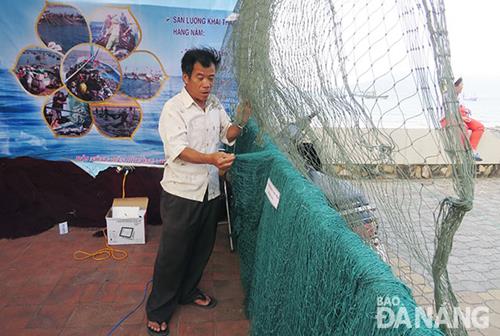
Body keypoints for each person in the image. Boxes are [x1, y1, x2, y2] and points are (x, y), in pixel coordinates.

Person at [146, 47, 251, 336]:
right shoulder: (173, 109)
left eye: (211, 78)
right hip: (181, 194)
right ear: (186, 78)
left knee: (202, 249)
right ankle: (158, 310)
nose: (206, 84)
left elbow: (226, 134)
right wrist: (212, 159)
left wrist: (240, 121)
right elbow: (178, 151)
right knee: (173, 254)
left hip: (210, 191)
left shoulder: (215, 103)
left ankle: (188, 291)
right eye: (200, 77)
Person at [441, 77, 484, 161]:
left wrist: (466, 110)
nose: (463, 86)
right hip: (448, 118)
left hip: (461, 116)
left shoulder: (459, 96)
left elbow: (461, 107)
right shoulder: (446, 96)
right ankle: (464, 152)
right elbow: (448, 113)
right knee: (463, 127)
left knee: (479, 127)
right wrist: (461, 117)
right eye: (461, 84)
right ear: (456, 86)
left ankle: (472, 150)